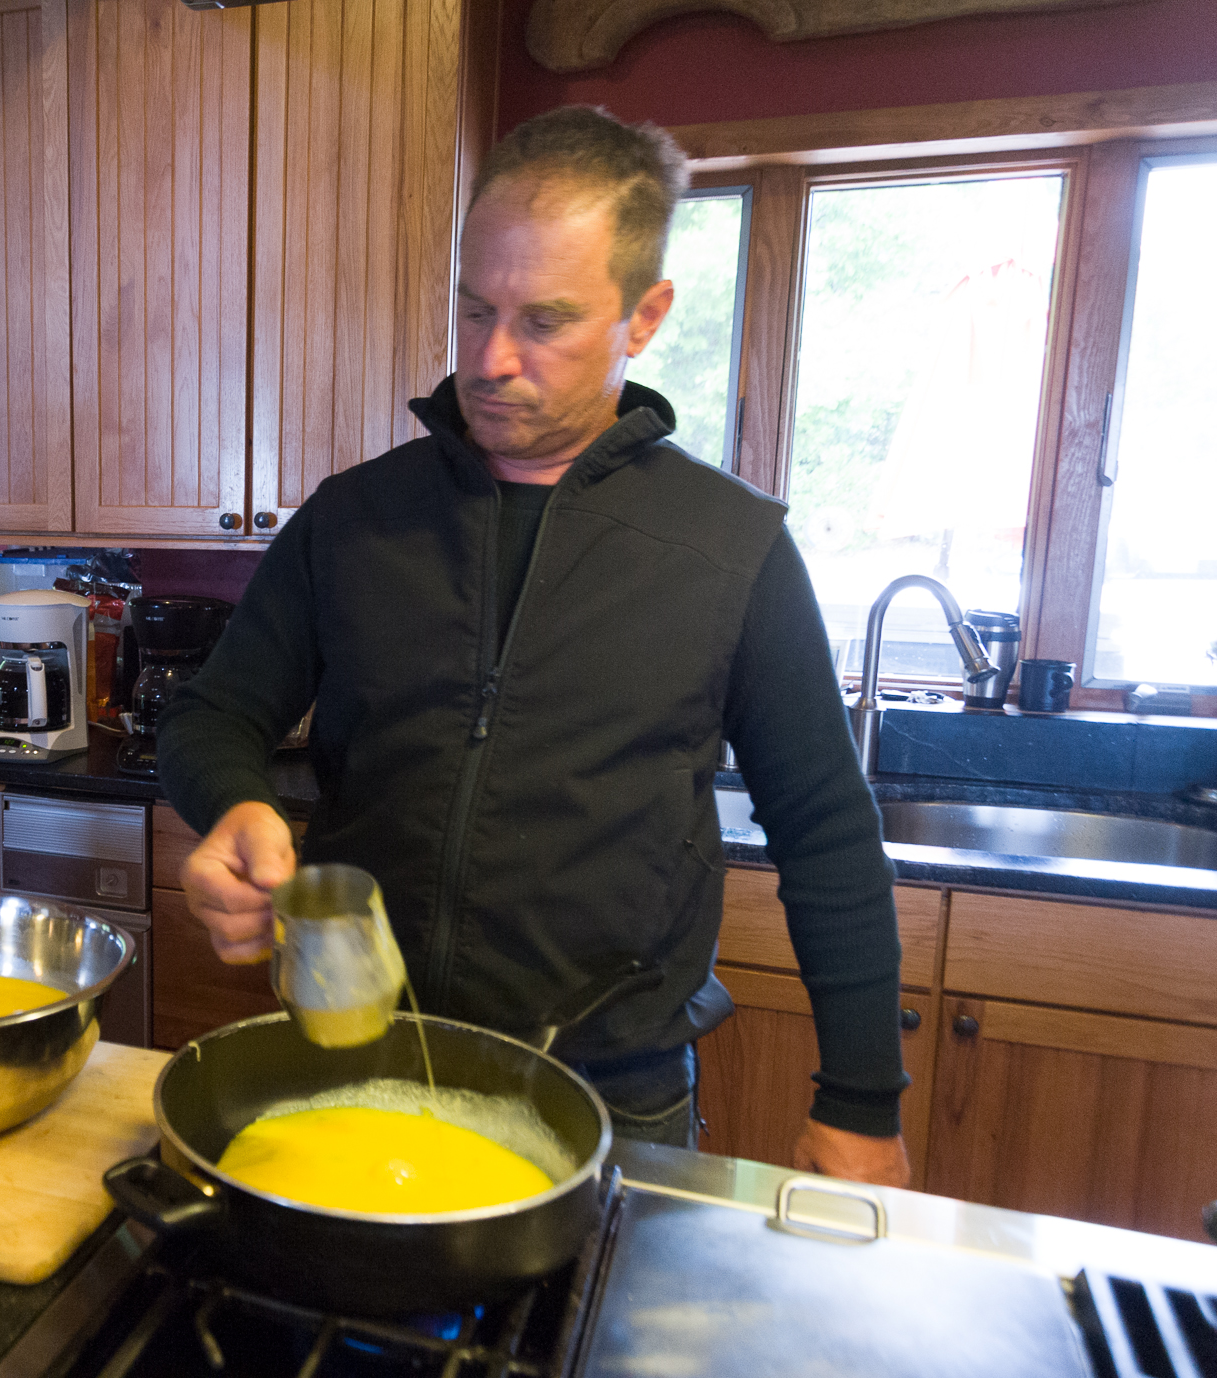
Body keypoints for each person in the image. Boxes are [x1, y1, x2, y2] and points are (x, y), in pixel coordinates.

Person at [157, 106, 910, 1187]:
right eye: (474, 311)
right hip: (354, 1061)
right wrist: (234, 805)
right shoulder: (355, 517)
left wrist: (860, 1103)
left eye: (545, 321)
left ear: (643, 316)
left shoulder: (728, 548)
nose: (493, 359)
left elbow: (828, 835)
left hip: (609, 1096)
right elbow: (213, 715)